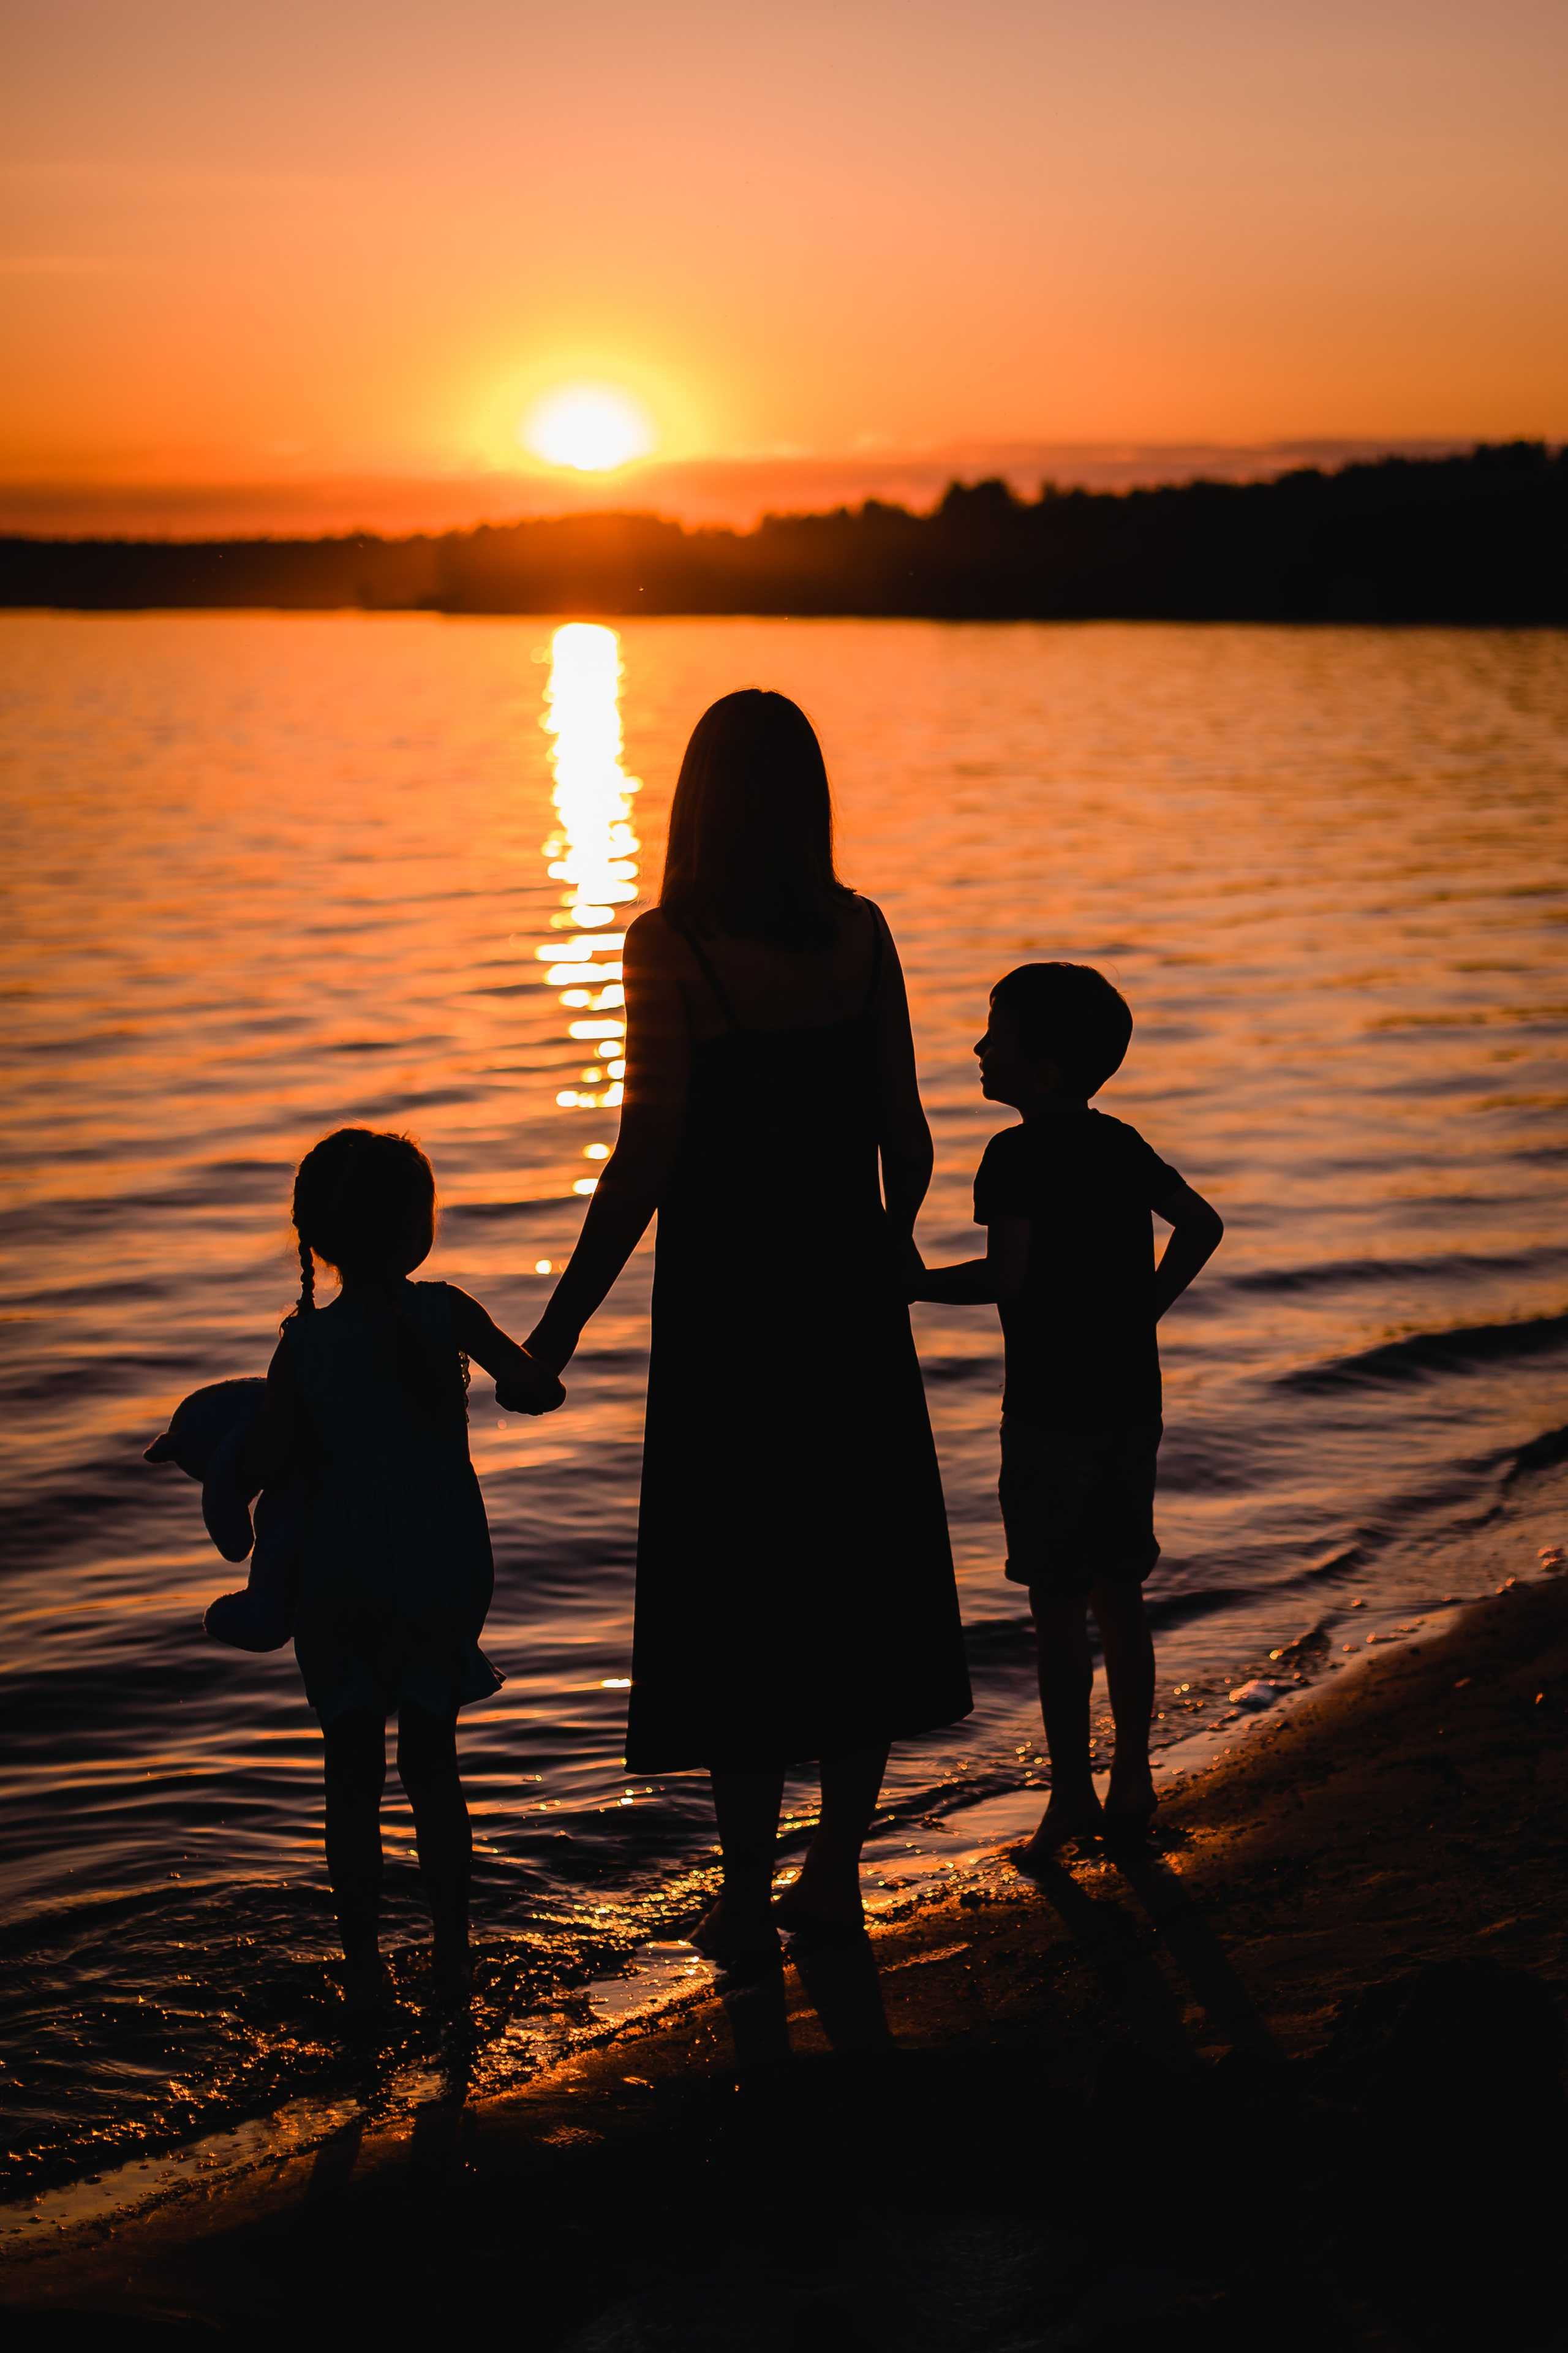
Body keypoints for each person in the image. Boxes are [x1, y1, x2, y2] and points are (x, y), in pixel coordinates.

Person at [526, 690, 971, 1965]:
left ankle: (742, 1889)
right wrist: (885, 1247)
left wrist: (554, 1335)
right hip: (845, 1299)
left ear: (698, 804)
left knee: (736, 1592)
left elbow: (643, 1159)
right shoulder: (860, 932)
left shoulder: (670, 944)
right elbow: (910, 1135)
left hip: (726, 1308)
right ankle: (830, 1875)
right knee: (853, 1579)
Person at [238, 1127, 563, 2012]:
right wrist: (533, 1377)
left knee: (352, 1775)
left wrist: (215, 1472)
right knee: (433, 1765)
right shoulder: (446, 1312)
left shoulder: (301, 1347)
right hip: (439, 1566)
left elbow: (266, 1460)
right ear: (415, 1229)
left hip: (343, 1578)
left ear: (320, 1237)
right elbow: (535, 1386)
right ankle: (453, 1960)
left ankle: (367, 1976)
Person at [910, 964, 1223, 1861]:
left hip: (1049, 1411)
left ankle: (1070, 1798)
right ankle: (1134, 1779)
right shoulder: (1121, 1141)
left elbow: (1006, 1278)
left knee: (1056, 1609)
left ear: (1041, 1071)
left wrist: (916, 1289)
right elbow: (1201, 1224)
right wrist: (1147, 1309)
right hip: (1131, 1401)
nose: (979, 1047)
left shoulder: (1012, 1157)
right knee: (1120, 1593)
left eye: (995, 1034)